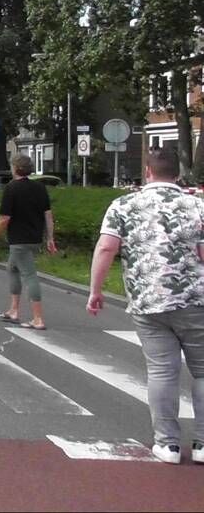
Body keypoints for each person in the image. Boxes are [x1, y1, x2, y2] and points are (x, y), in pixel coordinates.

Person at [87, 147, 204, 465]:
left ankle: (167, 445)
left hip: (148, 302)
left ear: (148, 172)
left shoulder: (123, 205)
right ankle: (203, 444)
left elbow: (107, 247)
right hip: (197, 301)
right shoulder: (197, 205)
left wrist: (95, 290)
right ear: (176, 174)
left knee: (162, 372)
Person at [0, 154, 57, 329]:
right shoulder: (39, 188)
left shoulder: (12, 188)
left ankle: (38, 319)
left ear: (15, 168)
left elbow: (4, 218)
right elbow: (48, 215)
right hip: (35, 239)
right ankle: (13, 311)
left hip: (19, 240)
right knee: (12, 268)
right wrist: (50, 238)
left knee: (29, 275)